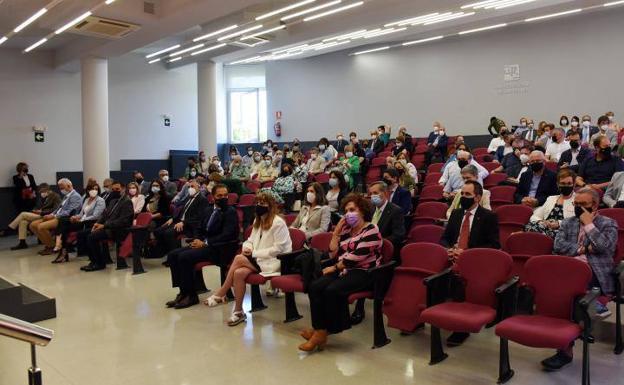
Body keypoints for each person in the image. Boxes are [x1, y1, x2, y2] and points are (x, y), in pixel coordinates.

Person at [299, 193, 382, 352]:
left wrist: (335, 267)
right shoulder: (346, 230)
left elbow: (357, 257)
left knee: (332, 290)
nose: (348, 213)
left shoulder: (372, 229)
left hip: (365, 271)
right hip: (345, 268)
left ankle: (324, 331)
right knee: (315, 286)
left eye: (352, 209)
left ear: (362, 211)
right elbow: (332, 252)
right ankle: (320, 330)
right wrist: (336, 231)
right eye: (346, 210)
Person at [547, 188, 618, 370]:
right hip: (570, 269)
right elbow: (558, 245)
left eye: (583, 205)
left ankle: (565, 350)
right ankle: (590, 314)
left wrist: (588, 225)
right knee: (563, 284)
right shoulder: (568, 223)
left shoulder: (608, 223)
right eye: (575, 204)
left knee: (568, 290)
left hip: (595, 272)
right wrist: (583, 249)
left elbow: (604, 247)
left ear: (594, 205)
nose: (578, 208)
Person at [204, 191, 292, 326]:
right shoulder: (258, 219)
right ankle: (238, 312)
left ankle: (221, 293)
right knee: (239, 273)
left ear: (270, 205)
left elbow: (278, 249)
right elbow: (250, 240)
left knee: (239, 259)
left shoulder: (278, 222)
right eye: (257, 203)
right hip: (258, 260)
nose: (259, 205)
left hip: (275, 261)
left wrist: (254, 253)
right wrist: (248, 247)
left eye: (262, 203)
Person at [440, 180, 500, 347]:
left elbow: (494, 245)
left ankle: (461, 328)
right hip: (453, 256)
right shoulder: (456, 214)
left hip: (474, 261)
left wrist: (468, 254)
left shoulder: (489, 216)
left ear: (478, 197)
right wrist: (448, 249)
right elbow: (445, 238)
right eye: (462, 194)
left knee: (460, 277)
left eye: (467, 195)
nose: (463, 197)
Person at [165, 184, 239, 309]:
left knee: (184, 257)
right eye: (219, 195)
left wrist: (205, 243)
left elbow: (227, 234)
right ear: (213, 197)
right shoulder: (208, 209)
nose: (223, 198)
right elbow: (199, 228)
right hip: (204, 245)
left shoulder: (230, 211)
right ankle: (183, 292)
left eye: (225, 195)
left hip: (219, 248)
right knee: (173, 255)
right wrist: (197, 239)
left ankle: (191, 295)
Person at [81, 184, 134, 272]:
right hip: (109, 227)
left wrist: (105, 226)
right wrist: (97, 223)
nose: (115, 191)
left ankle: (100, 263)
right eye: (113, 189)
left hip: (119, 230)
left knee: (92, 237)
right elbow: (105, 214)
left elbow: (124, 221)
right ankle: (93, 261)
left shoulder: (127, 201)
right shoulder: (113, 201)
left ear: (123, 189)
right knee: (83, 234)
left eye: (117, 189)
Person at [153, 180, 208, 257]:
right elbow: (181, 211)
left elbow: (199, 216)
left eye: (192, 186)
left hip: (190, 225)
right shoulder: (188, 198)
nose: (190, 188)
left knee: (168, 233)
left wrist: (184, 222)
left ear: (198, 187)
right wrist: (172, 218)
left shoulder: (202, 199)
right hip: (179, 221)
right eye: (188, 187)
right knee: (158, 231)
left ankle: (174, 256)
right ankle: (163, 252)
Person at [52, 183, 106, 263]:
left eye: (96, 189)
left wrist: (81, 220)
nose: (94, 191)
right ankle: (62, 250)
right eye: (92, 189)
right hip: (83, 221)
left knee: (64, 225)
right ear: (88, 190)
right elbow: (81, 213)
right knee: (64, 224)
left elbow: (96, 216)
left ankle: (61, 248)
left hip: (91, 222)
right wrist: (75, 217)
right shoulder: (87, 199)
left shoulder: (100, 200)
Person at [30, 178, 82, 255]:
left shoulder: (75, 196)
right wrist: (51, 214)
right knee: (32, 225)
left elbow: (70, 212)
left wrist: (54, 216)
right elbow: (59, 208)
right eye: (60, 188)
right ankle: (48, 244)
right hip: (56, 216)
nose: (61, 189)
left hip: (64, 218)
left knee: (41, 227)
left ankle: (52, 246)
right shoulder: (66, 196)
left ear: (69, 185)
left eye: (62, 187)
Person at [7, 183, 61, 250]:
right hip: (38, 214)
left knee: (23, 214)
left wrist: (41, 212)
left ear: (47, 190)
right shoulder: (42, 197)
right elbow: (37, 206)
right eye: (40, 192)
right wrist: (35, 210)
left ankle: (10, 228)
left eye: (42, 192)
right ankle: (22, 242)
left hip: (46, 215)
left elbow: (56, 209)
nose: (41, 193)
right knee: (23, 222)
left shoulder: (56, 196)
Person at [524, 169, 576, 238]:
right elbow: (535, 216)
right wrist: (542, 222)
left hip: (563, 232)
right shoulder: (551, 199)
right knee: (530, 226)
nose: (566, 186)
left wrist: (559, 224)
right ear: (558, 184)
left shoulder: (578, 201)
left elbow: (577, 222)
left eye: (569, 183)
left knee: (533, 232)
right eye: (563, 183)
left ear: (574, 184)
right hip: (544, 228)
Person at [368, 182, 405, 248]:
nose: (372, 196)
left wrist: (377, 242)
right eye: (371, 194)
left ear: (385, 193)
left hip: (383, 248)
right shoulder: (370, 209)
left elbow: (398, 235)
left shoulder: (396, 211)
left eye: (375, 193)